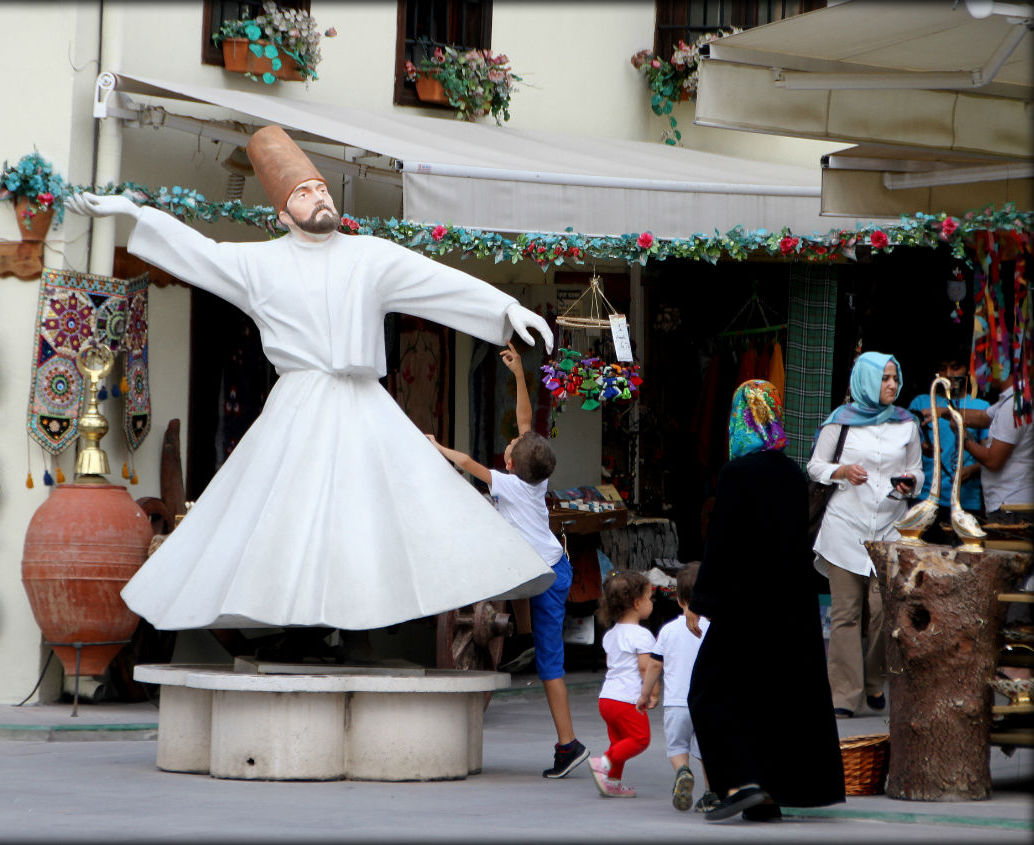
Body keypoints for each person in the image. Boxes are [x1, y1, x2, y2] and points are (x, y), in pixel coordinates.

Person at [65, 125, 556, 633]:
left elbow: (435, 281)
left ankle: (366, 612)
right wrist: (134, 215)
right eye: (304, 192)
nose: (319, 196)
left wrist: (505, 308)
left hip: (364, 403)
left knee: (401, 507)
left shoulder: (370, 255)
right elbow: (202, 254)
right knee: (278, 516)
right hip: (299, 404)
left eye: (321, 187)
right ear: (283, 213)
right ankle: (289, 616)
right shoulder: (259, 264)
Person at [426, 341, 586, 778]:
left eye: (512, 444)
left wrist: (435, 445)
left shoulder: (510, 485)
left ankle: (568, 745)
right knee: (543, 653)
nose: (511, 438)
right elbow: (524, 422)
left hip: (548, 577)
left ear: (512, 464)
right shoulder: (534, 478)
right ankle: (565, 742)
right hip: (551, 568)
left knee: (550, 663)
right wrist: (517, 375)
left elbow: (466, 462)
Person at [689, 380, 845, 822]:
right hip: (791, 608)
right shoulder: (793, 475)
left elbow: (721, 544)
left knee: (708, 691)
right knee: (772, 697)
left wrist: (700, 600)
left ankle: (741, 781)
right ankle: (769, 794)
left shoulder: (736, 474)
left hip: (743, 606)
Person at [808, 352, 923, 718]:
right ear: (866, 382)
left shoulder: (907, 424)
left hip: (890, 529)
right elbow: (815, 466)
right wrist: (841, 471)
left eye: (895, 378)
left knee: (882, 611)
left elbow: (918, 472)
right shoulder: (839, 423)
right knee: (845, 613)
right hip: (844, 529)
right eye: (884, 379)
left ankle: (874, 680)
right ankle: (844, 693)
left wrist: (910, 485)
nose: (892, 385)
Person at [634, 562, 709, 812]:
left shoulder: (667, 631)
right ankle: (712, 793)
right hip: (705, 702)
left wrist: (646, 694)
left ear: (679, 599)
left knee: (677, 747)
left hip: (676, 703)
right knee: (708, 751)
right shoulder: (713, 629)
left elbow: (654, 666)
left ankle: (682, 771)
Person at [931, 373, 1034, 533]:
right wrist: (944, 412)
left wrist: (963, 437)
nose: (982, 373)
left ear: (1002, 366)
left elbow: (993, 461)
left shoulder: (1015, 404)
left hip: (1011, 505)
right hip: (1007, 503)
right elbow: (982, 417)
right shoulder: (1013, 398)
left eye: (987, 366)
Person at [906, 356, 989, 543]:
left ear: (968, 369)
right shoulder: (920, 403)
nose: (949, 375)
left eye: (955, 367)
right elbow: (902, 448)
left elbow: (991, 457)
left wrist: (972, 470)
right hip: (924, 499)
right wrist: (920, 447)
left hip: (966, 503)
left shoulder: (981, 409)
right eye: (943, 368)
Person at [588, 569, 656, 798]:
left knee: (619, 741)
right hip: (628, 698)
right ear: (637, 603)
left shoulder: (611, 634)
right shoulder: (641, 635)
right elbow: (646, 668)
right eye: (649, 598)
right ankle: (603, 763)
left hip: (607, 698)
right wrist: (651, 693)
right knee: (640, 739)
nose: (651, 603)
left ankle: (612, 782)